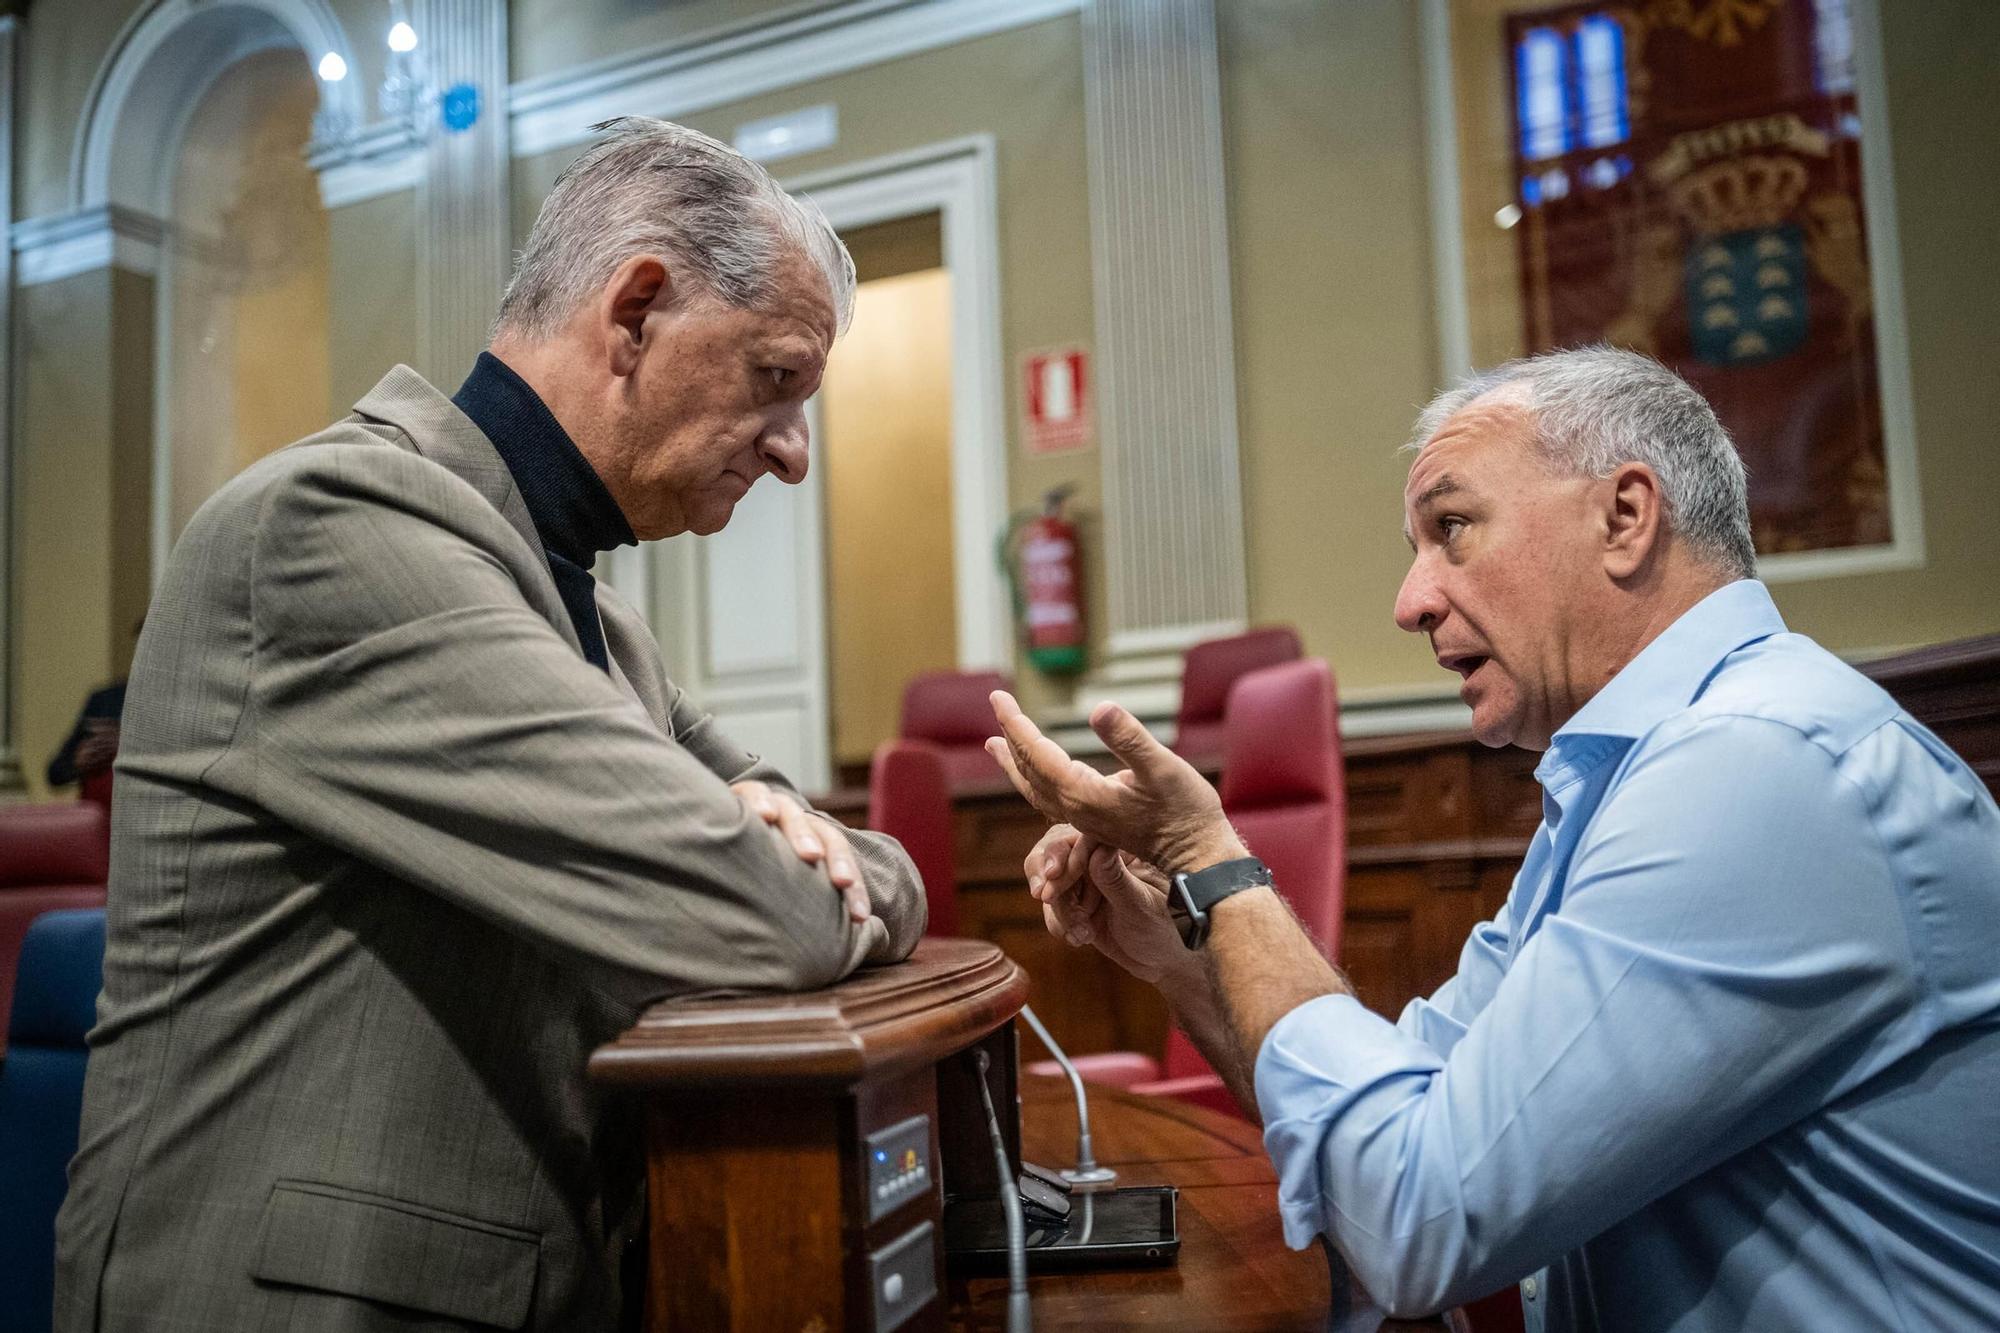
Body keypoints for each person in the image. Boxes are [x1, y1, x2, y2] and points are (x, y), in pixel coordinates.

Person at [55, 118, 926, 1331]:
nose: (792, 453)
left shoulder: (604, 626)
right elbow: (765, 909)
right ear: (633, 313)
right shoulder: (335, 525)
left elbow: (875, 868)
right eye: (773, 380)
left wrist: (829, 862)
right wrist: (786, 860)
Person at [986, 346, 2000, 1331]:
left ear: (1624, 516)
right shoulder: (1639, 771)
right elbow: (1402, 1103)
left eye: (1452, 527)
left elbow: (1416, 1217)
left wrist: (1215, 865)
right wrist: (1181, 952)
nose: (1408, 600)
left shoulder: (1757, 767)